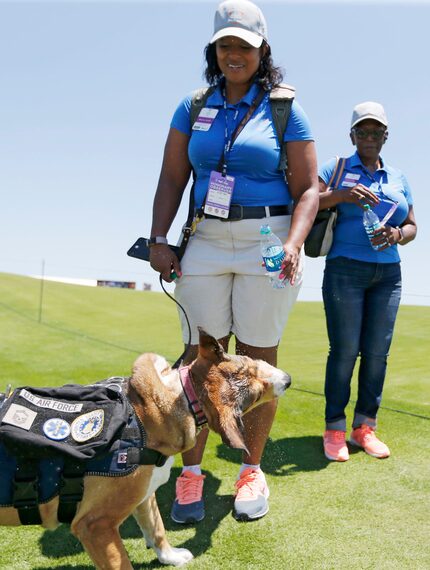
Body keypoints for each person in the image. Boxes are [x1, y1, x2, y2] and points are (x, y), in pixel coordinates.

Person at [149, 0, 318, 522]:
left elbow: (309, 189)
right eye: (225, 44)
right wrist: (158, 236)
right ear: (214, 50)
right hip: (204, 237)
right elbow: (173, 177)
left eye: (243, 44)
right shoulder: (192, 105)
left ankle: (250, 468)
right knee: (199, 358)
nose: (233, 53)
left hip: (268, 240)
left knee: (258, 357)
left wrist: (292, 244)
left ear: (261, 49)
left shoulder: (286, 107)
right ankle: (191, 473)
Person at [318, 101, 417, 462]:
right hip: (345, 269)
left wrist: (397, 235)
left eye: (377, 132)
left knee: (377, 354)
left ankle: (364, 427)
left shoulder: (399, 177)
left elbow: (413, 226)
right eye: (363, 131)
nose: (370, 137)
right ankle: (334, 429)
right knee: (344, 353)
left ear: (386, 136)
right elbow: (308, 202)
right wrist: (342, 194)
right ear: (352, 135)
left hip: (388, 274)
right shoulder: (336, 167)